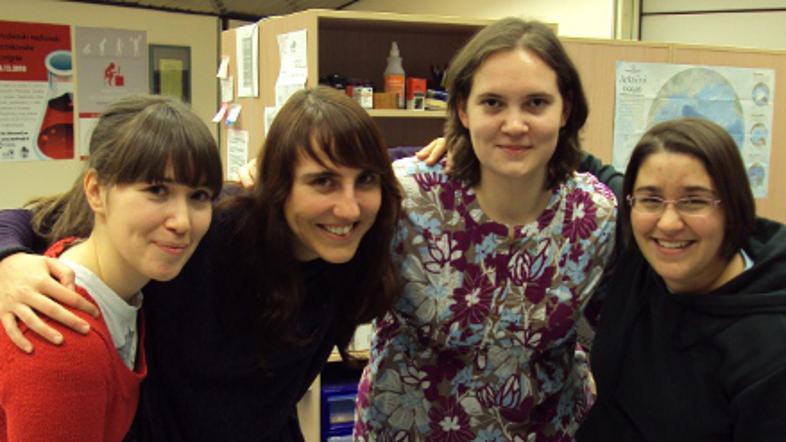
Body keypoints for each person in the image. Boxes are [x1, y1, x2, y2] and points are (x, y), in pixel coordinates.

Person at [0, 86, 403, 441]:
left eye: (365, 181)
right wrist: (8, 259)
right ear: (276, 183)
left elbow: (408, 162)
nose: (348, 207)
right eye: (323, 181)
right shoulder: (209, 232)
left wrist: (447, 147)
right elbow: (33, 217)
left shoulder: (357, 245)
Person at [353, 18, 617, 440]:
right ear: (463, 109)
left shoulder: (594, 216)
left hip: (546, 429)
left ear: (565, 109)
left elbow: (628, 334)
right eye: (492, 103)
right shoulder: (406, 199)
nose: (514, 125)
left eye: (535, 103)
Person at [0, 94, 223, 441]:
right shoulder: (61, 338)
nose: (182, 222)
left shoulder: (114, 291)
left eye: (199, 196)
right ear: (95, 191)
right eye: (157, 190)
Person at [576, 118, 786, 442]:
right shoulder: (641, 249)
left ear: (732, 206)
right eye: (651, 199)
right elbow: (583, 163)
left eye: (694, 201)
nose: (669, 223)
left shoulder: (770, 350)